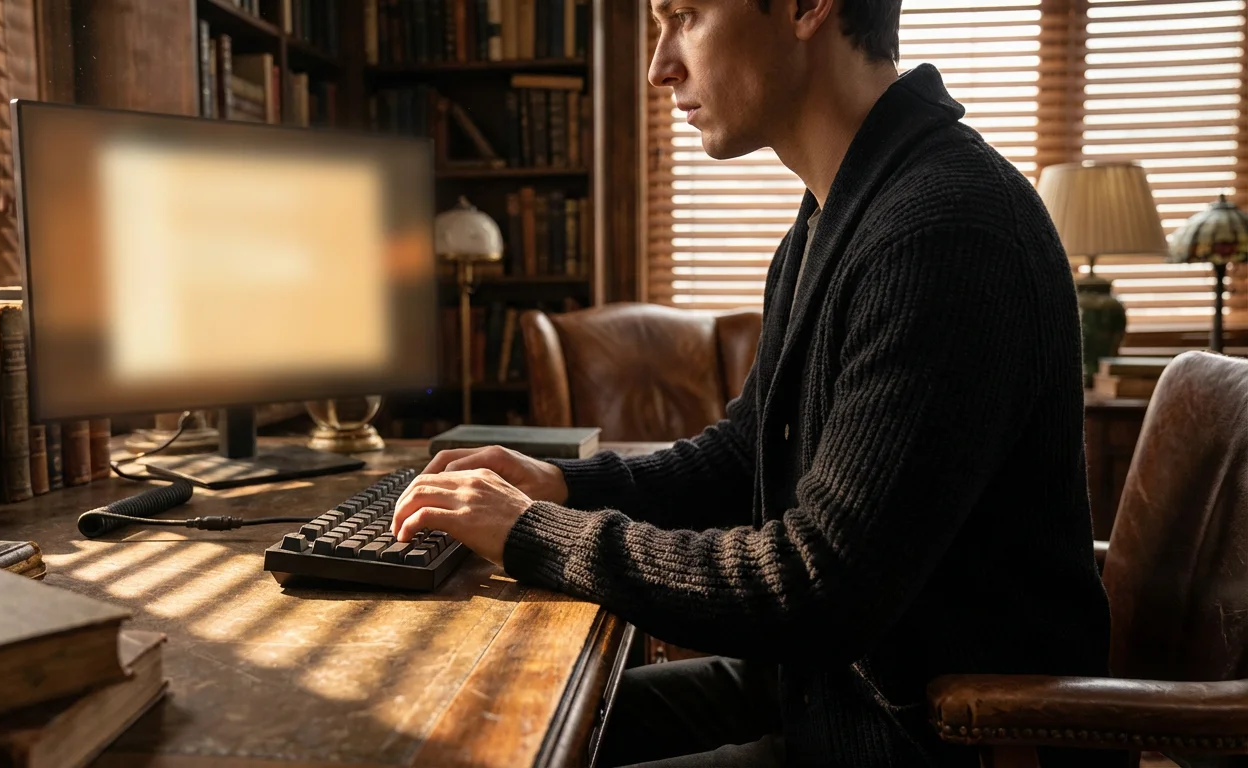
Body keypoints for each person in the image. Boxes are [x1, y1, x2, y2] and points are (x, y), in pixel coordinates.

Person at [391, 0, 1116, 765]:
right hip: (832, 691)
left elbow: (814, 586)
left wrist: (530, 532)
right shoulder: (833, 217)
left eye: (685, 15)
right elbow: (746, 456)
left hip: (921, 733)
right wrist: (557, 484)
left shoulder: (946, 231)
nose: (659, 65)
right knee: (470, 732)